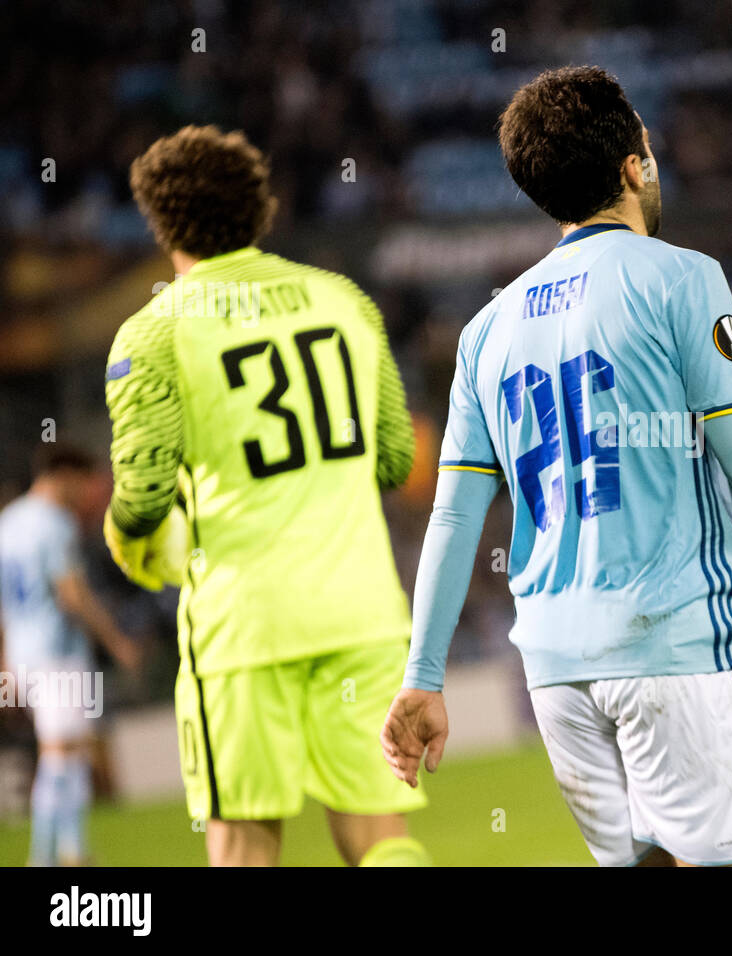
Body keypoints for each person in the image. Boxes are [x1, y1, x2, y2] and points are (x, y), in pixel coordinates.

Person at [381, 66, 732, 867]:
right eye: (647, 147)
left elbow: (453, 516)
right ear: (632, 165)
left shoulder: (486, 330)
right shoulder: (682, 278)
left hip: (555, 671)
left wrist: (423, 674)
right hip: (675, 646)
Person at [102, 125, 429, 866]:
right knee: (381, 840)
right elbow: (395, 457)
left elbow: (146, 494)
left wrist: (128, 540)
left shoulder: (152, 336)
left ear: (160, 222)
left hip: (245, 628)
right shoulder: (341, 300)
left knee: (244, 845)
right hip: (363, 612)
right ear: (263, 207)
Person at [0, 446, 142, 865]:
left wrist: (6, 660)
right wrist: (116, 640)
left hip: (25, 654)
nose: (86, 494)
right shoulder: (55, 524)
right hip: (56, 654)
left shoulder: (7, 522)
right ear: (64, 474)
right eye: (83, 482)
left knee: (70, 753)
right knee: (61, 756)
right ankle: (45, 858)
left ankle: (72, 851)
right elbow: (72, 594)